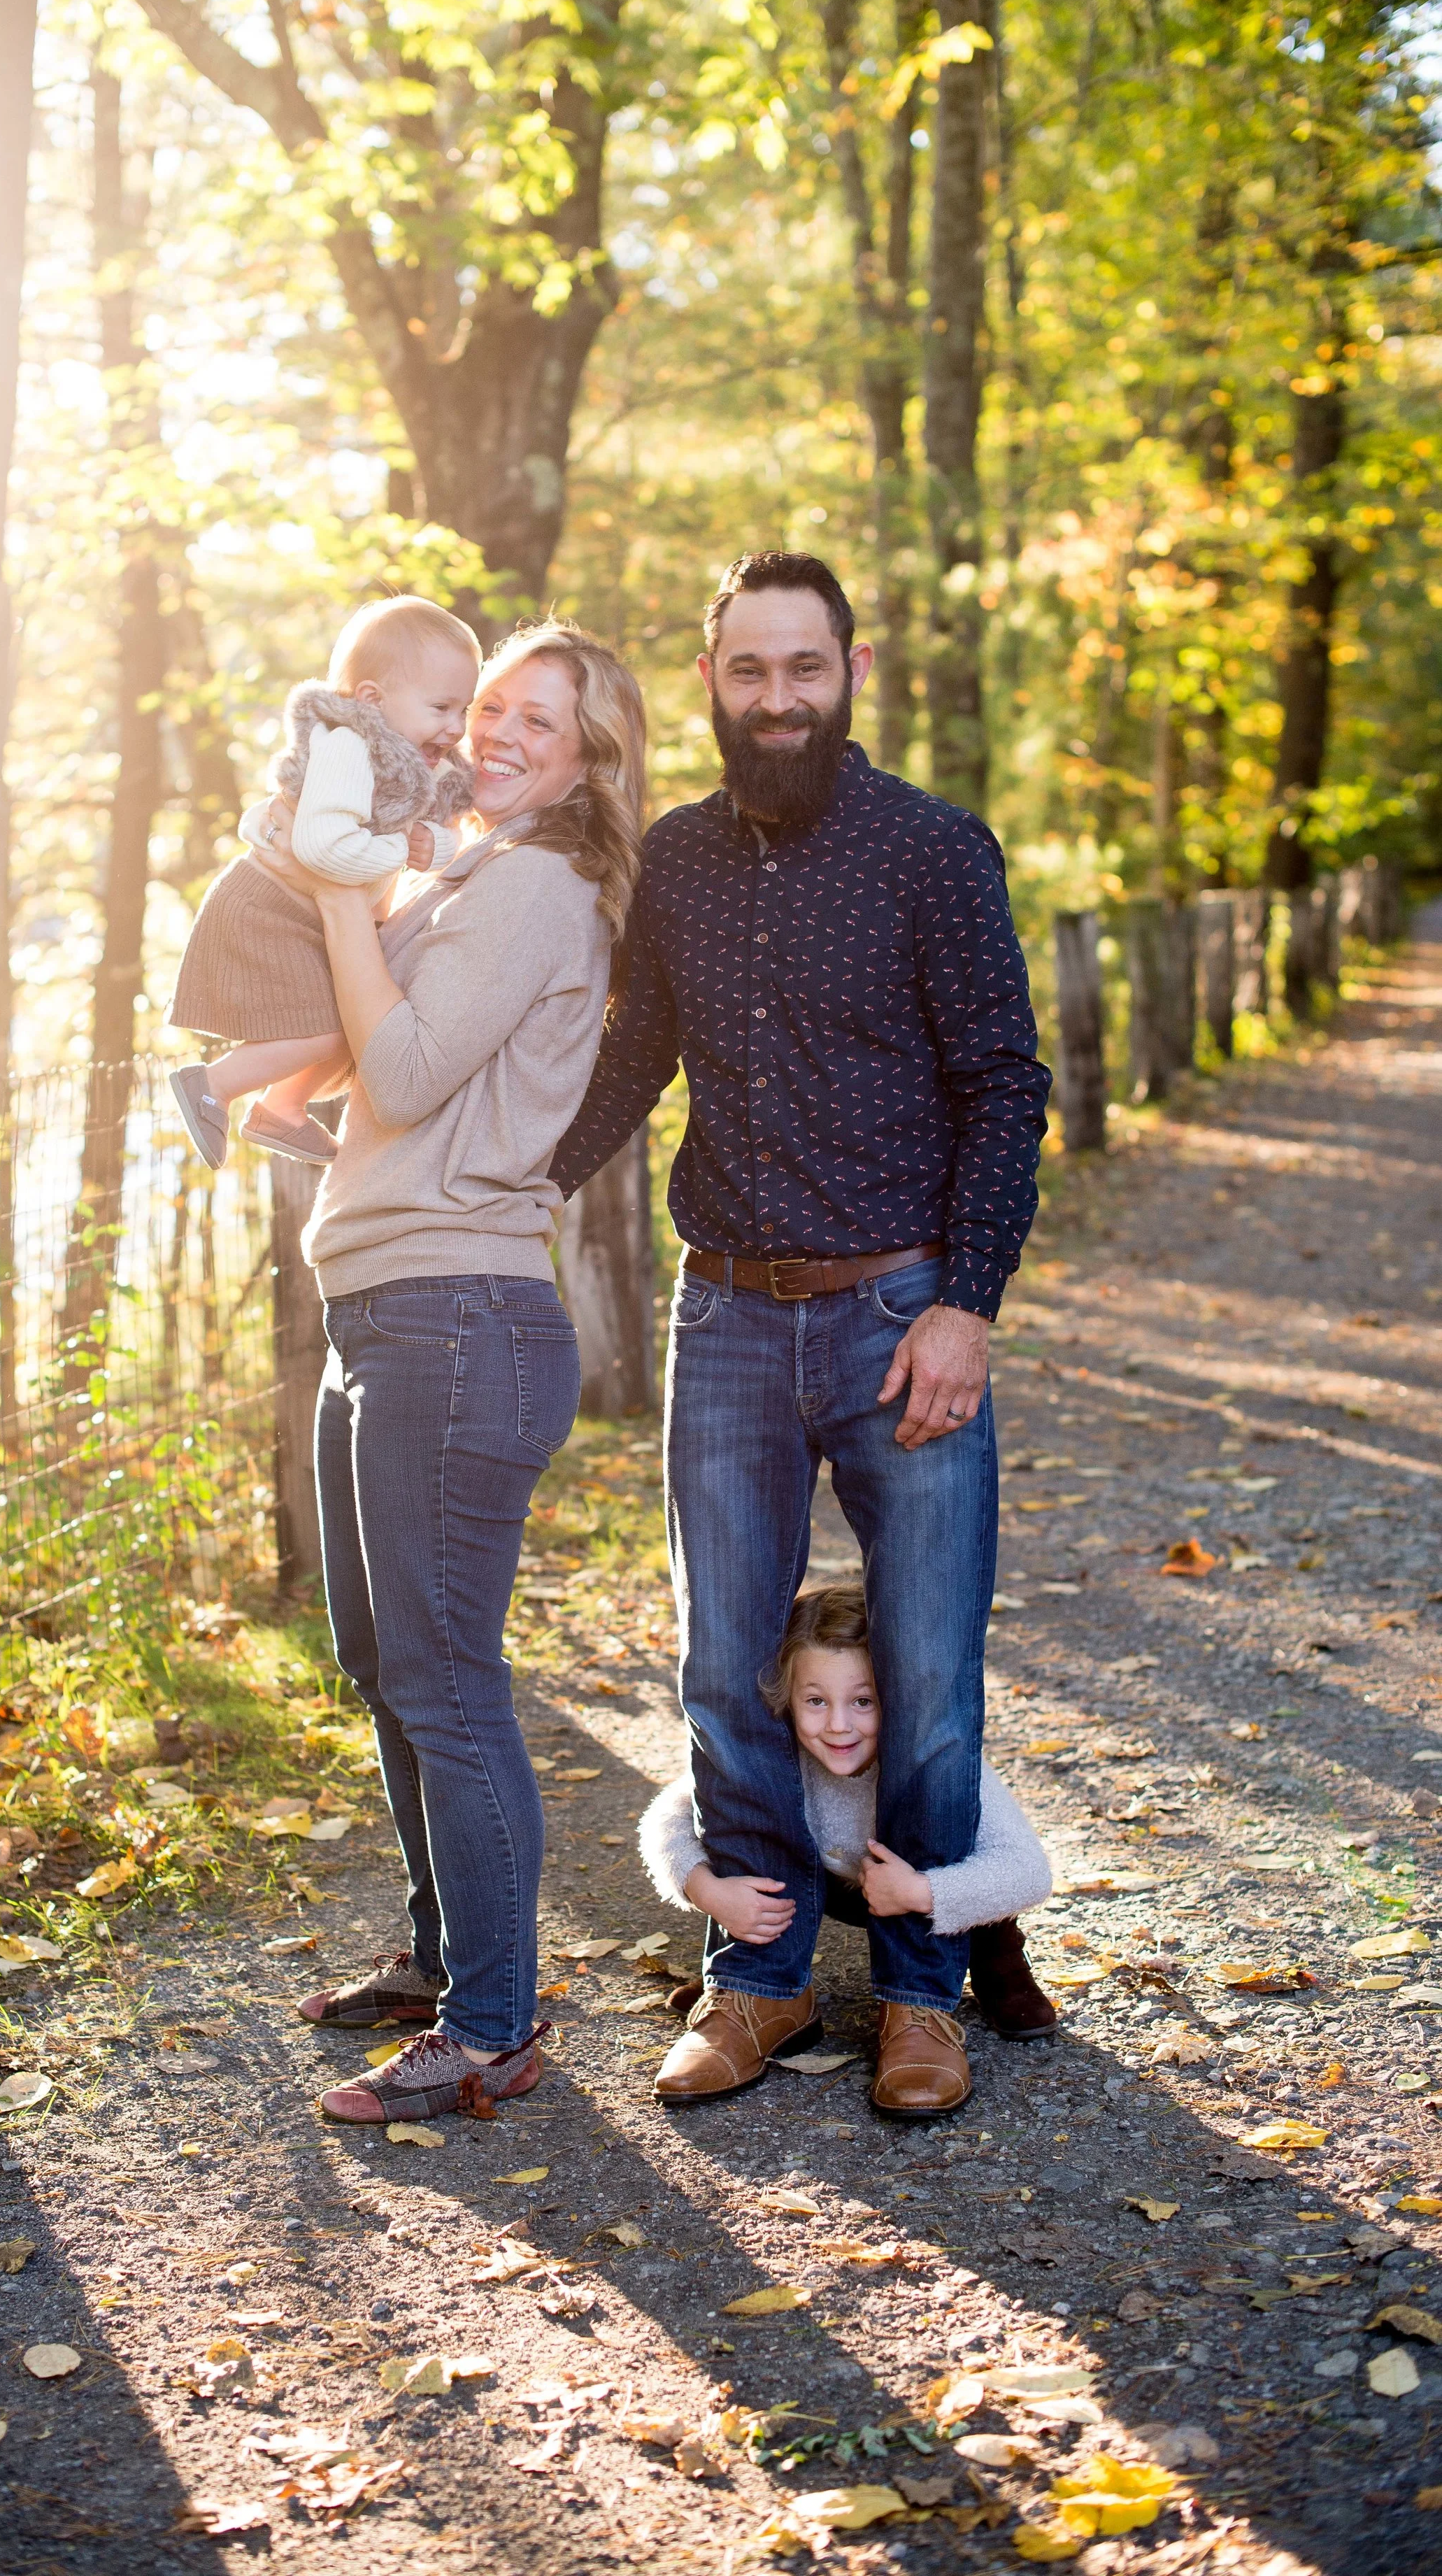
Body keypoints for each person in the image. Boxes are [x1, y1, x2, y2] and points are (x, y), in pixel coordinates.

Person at [552, 550, 1050, 2119]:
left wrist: (966, 1302)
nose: (775, 698)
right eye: (747, 671)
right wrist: (509, 1183)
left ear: (850, 670)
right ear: (709, 680)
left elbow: (1001, 1084)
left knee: (924, 1662)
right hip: (726, 1317)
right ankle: (754, 1982)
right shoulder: (679, 864)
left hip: (905, 1310)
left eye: (802, 669)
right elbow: (632, 1056)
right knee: (719, 1661)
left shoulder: (932, 851)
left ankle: (919, 1997)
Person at [286, 620, 649, 2125]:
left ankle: (493, 2028)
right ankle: (446, 1964)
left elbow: (415, 1071)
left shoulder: (537, 885)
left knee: (445, 1679)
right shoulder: (469, 874)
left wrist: (332, 894)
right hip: (385, 1307)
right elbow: (416, 1085)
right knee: (386, 1662)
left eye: (539, 723)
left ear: (587, 764)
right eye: (490, 704)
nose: (498, 732)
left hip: (456, 1319)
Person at [637, 1581, 1057, 2087]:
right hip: (831, 1883)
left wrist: (923, 1892)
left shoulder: (939, 1763)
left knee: (977, 1892)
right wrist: (706, 1890)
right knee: (733, 1827)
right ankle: (748, 1982)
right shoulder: (778, 1756)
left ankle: (999, 1966)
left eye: (864, 1701)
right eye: (815, 1700)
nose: (839, 1726)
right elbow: (668, 1816)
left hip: (929, 1882)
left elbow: (1030, 1872)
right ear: (787, 1698)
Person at [168, 595, 480, 1167]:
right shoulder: (349, 745)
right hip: (272, 905)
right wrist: (397, 847)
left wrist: (432, 845)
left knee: (350, 1023)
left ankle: (280, 1111)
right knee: (323, 1028)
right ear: (371, 700)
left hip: (308, 909)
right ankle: (210, 1084)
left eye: (464, 710)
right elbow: (322, 845)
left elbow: (427, 836)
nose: (456, 727)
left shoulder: (412, 762)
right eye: (441, 707)